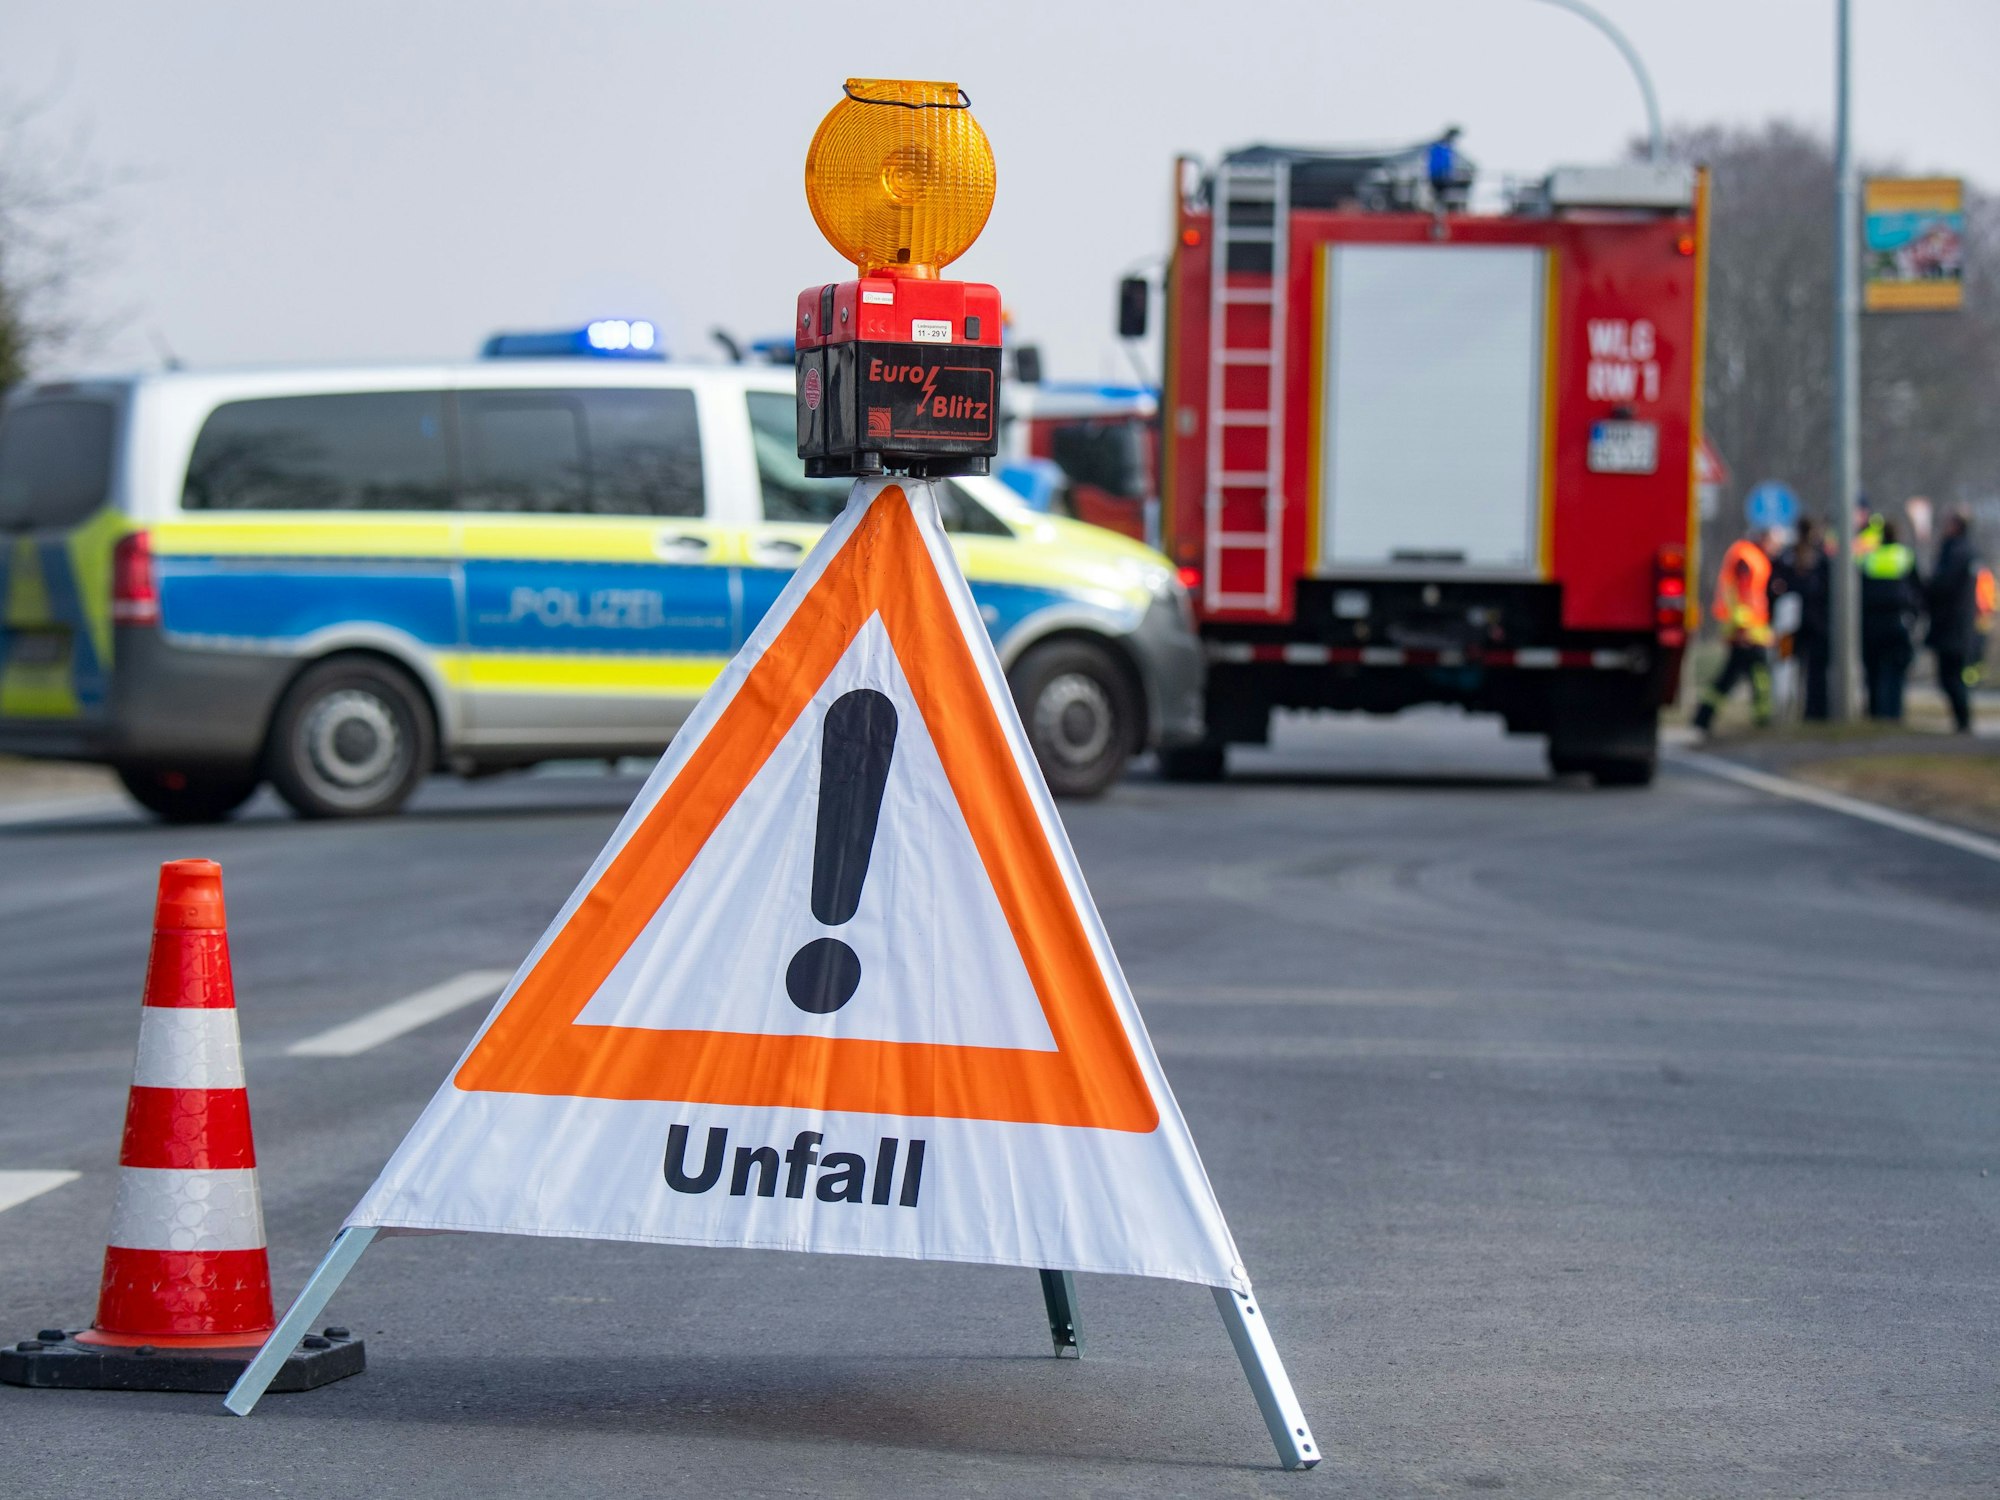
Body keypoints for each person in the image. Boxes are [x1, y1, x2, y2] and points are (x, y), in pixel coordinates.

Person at [1692, 528, 1775, 733]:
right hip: (1746, 631)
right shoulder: (1746, 558)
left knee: (1728, 678)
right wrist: (1743, 628)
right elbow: (1743, 594)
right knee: (1758, 675)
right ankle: (1762, 718)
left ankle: (1702, 718)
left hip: (1746, 630)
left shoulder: (1747, 555)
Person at [1924, 507, 1982, 732]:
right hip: (1958, 624)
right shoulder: (1964, 551)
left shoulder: (1957, 552)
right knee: (1950, 676)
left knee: (1951, 677)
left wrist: (1927, 588)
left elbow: (1943, 585)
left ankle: (1963, 723)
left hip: (1953, 625)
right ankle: (1962, 722)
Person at [1859, 518, 1922, 720]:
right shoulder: (1905, 555)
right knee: (1896, 670)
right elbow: (1916, 587)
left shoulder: (1869, 557)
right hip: (1897, 621)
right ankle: (1894, 713)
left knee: (1873, 670)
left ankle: (1876, 712)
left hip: (1871, 622)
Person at [1771, 517, 1832, 721]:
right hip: (1817, 623)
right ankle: (1815, 713)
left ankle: (1785, 712)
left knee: (1786, 669)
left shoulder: (1787, 556)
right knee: (1816, 673)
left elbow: (1775, 586)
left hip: (1789, 624)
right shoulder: (1821, 556)